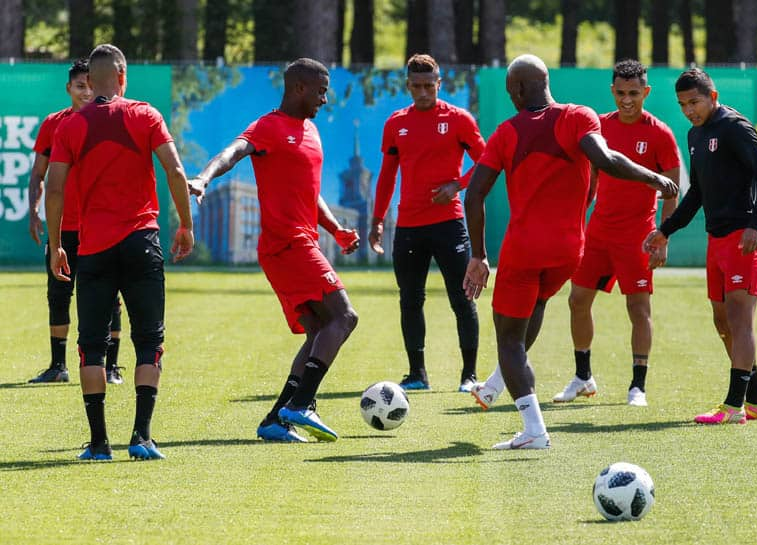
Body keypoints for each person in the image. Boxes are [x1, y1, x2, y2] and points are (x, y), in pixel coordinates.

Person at [462, 54, 678, 450]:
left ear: (518, 90)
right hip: (569, 251)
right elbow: (605, 160)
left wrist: (478, 255)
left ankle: (533, 429)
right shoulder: (579, 116)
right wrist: (654, 177)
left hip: (524, 249)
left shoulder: (507, 132)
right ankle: (494, 385)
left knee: (509, 338)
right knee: (539, 299)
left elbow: (475, 194)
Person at [189, 58, 360, 444]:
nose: (325, 98)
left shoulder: (311, 131)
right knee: (344, 316)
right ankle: (302, 404)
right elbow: (232, 152)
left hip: (301, 243)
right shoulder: (268, 127)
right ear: (299, 87)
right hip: (286, 244)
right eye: (320, 91)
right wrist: (203, 178)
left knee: (319, 330)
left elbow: (310, 192)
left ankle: (275, 420)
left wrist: (335, 230)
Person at [46, 44, 195, 461]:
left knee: (90, 347)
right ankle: (142, 437)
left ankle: (98, 445)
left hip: (93, 248)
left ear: (89, 83)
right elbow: (175, 170)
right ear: (124, 77)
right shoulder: (145, 115)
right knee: (149, 344)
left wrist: (58, 244)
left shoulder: (71, 125)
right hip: (142, 242)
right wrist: (185, 224)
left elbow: (54, 188)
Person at [644, 67, 757, 425]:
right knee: (721, 320)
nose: (689, 109)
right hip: (717, 238)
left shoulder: (734, 127)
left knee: (738, 317)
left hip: (745, 236)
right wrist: (665, 230)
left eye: (695, 102)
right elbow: (698, 193)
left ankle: (734, 407)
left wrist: (755, 223)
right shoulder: (694, 135)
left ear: (712, 97)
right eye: (683, 104)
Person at [555, 59, 681, 408]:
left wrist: (663, 236)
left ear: (646, 92)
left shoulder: (661, 134)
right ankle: (583, 377)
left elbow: (672, 190)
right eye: (621, 93)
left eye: (634, 93)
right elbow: (591, 178)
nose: (627, 100)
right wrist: (578, 218)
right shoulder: (598, 126)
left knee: (638, 309)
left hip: (638, 236)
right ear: (612, 90)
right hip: (598, 233)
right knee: (577, 300)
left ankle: (637, 386)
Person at [369, 54, 484, 392]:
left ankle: (469, 375)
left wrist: (458, 185)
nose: (422, 92)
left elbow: (489, 160)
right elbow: (387, 175)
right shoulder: (396, 123)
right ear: (408, 86)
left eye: (428, 85)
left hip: (449, 224)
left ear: (439, 84)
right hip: (409, 227)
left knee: (462, 299)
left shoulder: (459, 119)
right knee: (410, 299)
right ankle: (417, 374)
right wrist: (377, 219)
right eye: (416, 86)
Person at [26, 58, 126, 385]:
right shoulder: (54, 124)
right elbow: (39, 175)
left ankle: (111, 368)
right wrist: (34, 210)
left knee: (109, 295)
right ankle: (58, 366)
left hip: (101, 226)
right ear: (68, 88)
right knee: (58, 294)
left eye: (90, 85)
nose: (85, 92)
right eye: (79, 86)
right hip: (64, 228)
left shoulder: (110, 120)